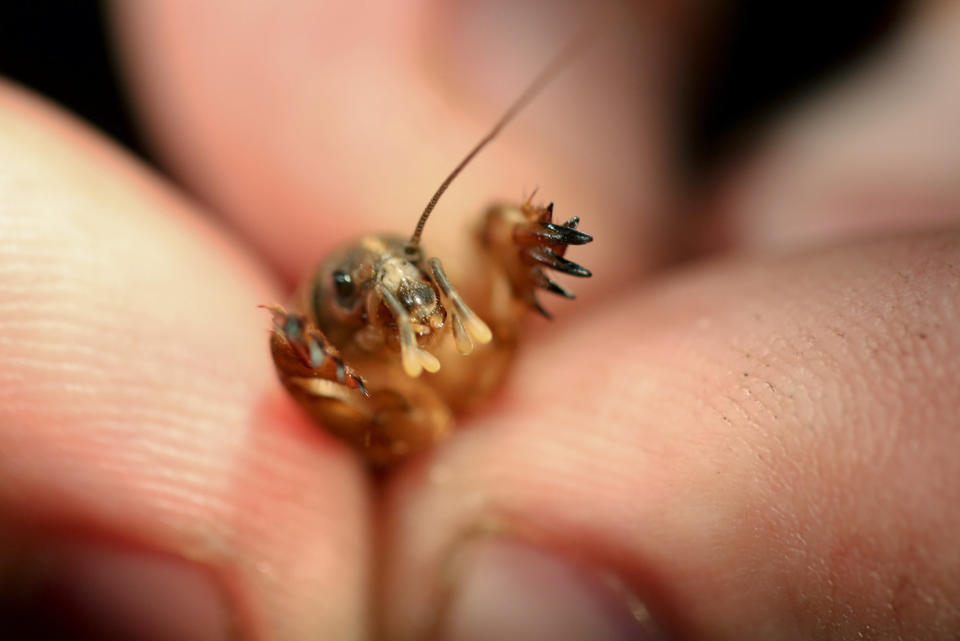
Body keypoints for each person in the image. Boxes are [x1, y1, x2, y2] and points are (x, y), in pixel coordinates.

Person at [1, 2, 957, 639]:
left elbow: (502, 238)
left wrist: (528, 240)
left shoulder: (464, 310)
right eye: (370, 300)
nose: (409, 306)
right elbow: (329, 387)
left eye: (413, 284)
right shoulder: (348, 379)